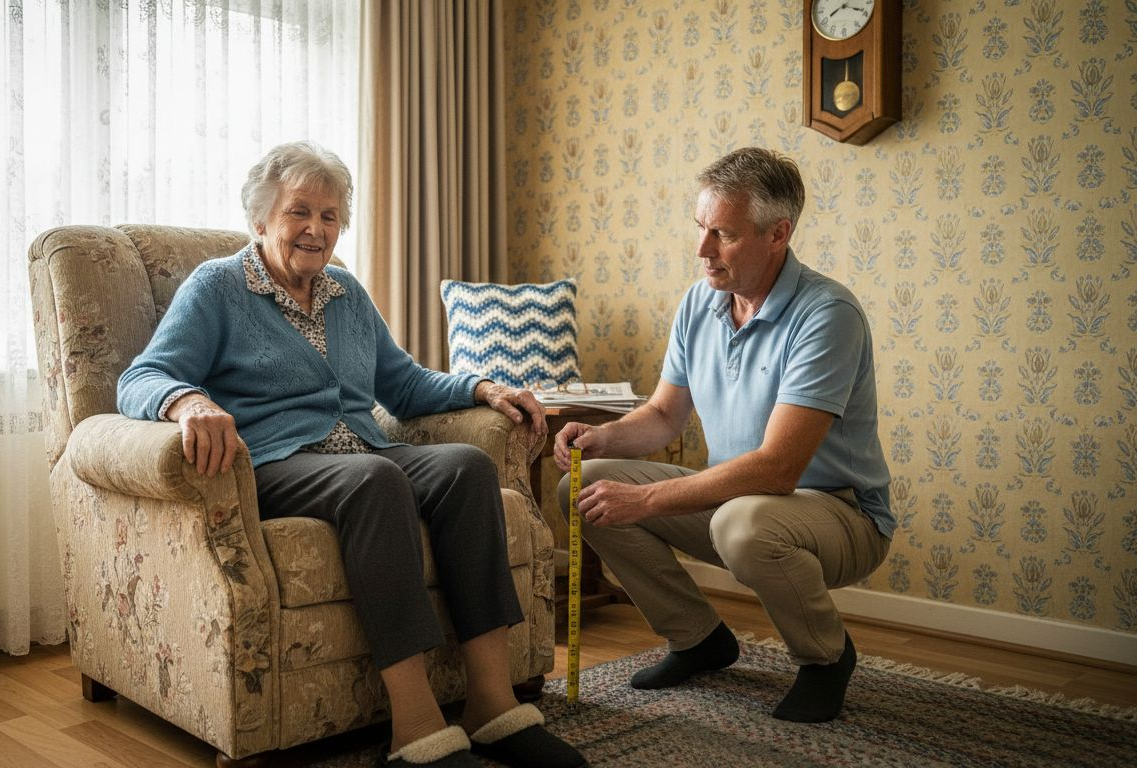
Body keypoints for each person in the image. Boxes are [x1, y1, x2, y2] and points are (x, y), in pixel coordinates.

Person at [117, 142, 585, 768]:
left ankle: (492, 706)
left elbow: (404, 382)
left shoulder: (344, 291)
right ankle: (417, 730)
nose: (316, 228)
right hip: (277, 461)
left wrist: (482, 386)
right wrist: (188, 403)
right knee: (374, 480)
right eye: (298, 212)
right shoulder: (218, 287)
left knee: (465, 468)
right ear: (261, 219)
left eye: (330, 215)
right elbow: (142, 376)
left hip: (364, 448)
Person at [554, 146, 894, 724]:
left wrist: (646, 500)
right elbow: (664, 416)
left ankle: (825, 657)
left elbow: (777, 471)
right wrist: (601, 440)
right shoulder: (701, 302)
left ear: (777, 234)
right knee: (583, 494)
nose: (702, 250)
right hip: (735, 505)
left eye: (723, 234)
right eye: (700, 229)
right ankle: (698, 638)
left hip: (837, 514)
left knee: (742, 524)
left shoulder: (827, 314)